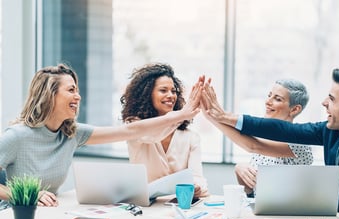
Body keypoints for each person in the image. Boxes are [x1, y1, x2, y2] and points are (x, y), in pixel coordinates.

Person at [201, 68, 339, 219]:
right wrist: (224, 116)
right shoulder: (331, 129)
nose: (324, 103)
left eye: (332, 99)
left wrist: (296, 197)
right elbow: (283, 130)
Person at [0, 63, 203, 207]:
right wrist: (28, 195)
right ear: (49, 95)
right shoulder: (17, 136)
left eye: (77, 90)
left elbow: (131, 130)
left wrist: (180, 115)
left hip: (49, 212)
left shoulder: (72, 133)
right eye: (71, 90)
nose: (78, 96)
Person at [201, 79, 313, 197]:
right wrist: (240, 171)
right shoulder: (264, 139)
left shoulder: (301, 143)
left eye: (277, 99)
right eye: (269, 95)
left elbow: (253, 146)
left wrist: (215, 117)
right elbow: (251, 193)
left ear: (295, 109)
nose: (268, 101)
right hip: (263, 212)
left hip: (288, 213)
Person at [120, 63, 208, 198]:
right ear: (147, 94)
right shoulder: (134, 126)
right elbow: (152, 136)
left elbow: (197, 176)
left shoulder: (191, 137)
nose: (171, 96)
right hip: (145, 206)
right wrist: (181, 115)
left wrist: (196, 187)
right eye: (163, 90)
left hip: (179, 206)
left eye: (173, 91)